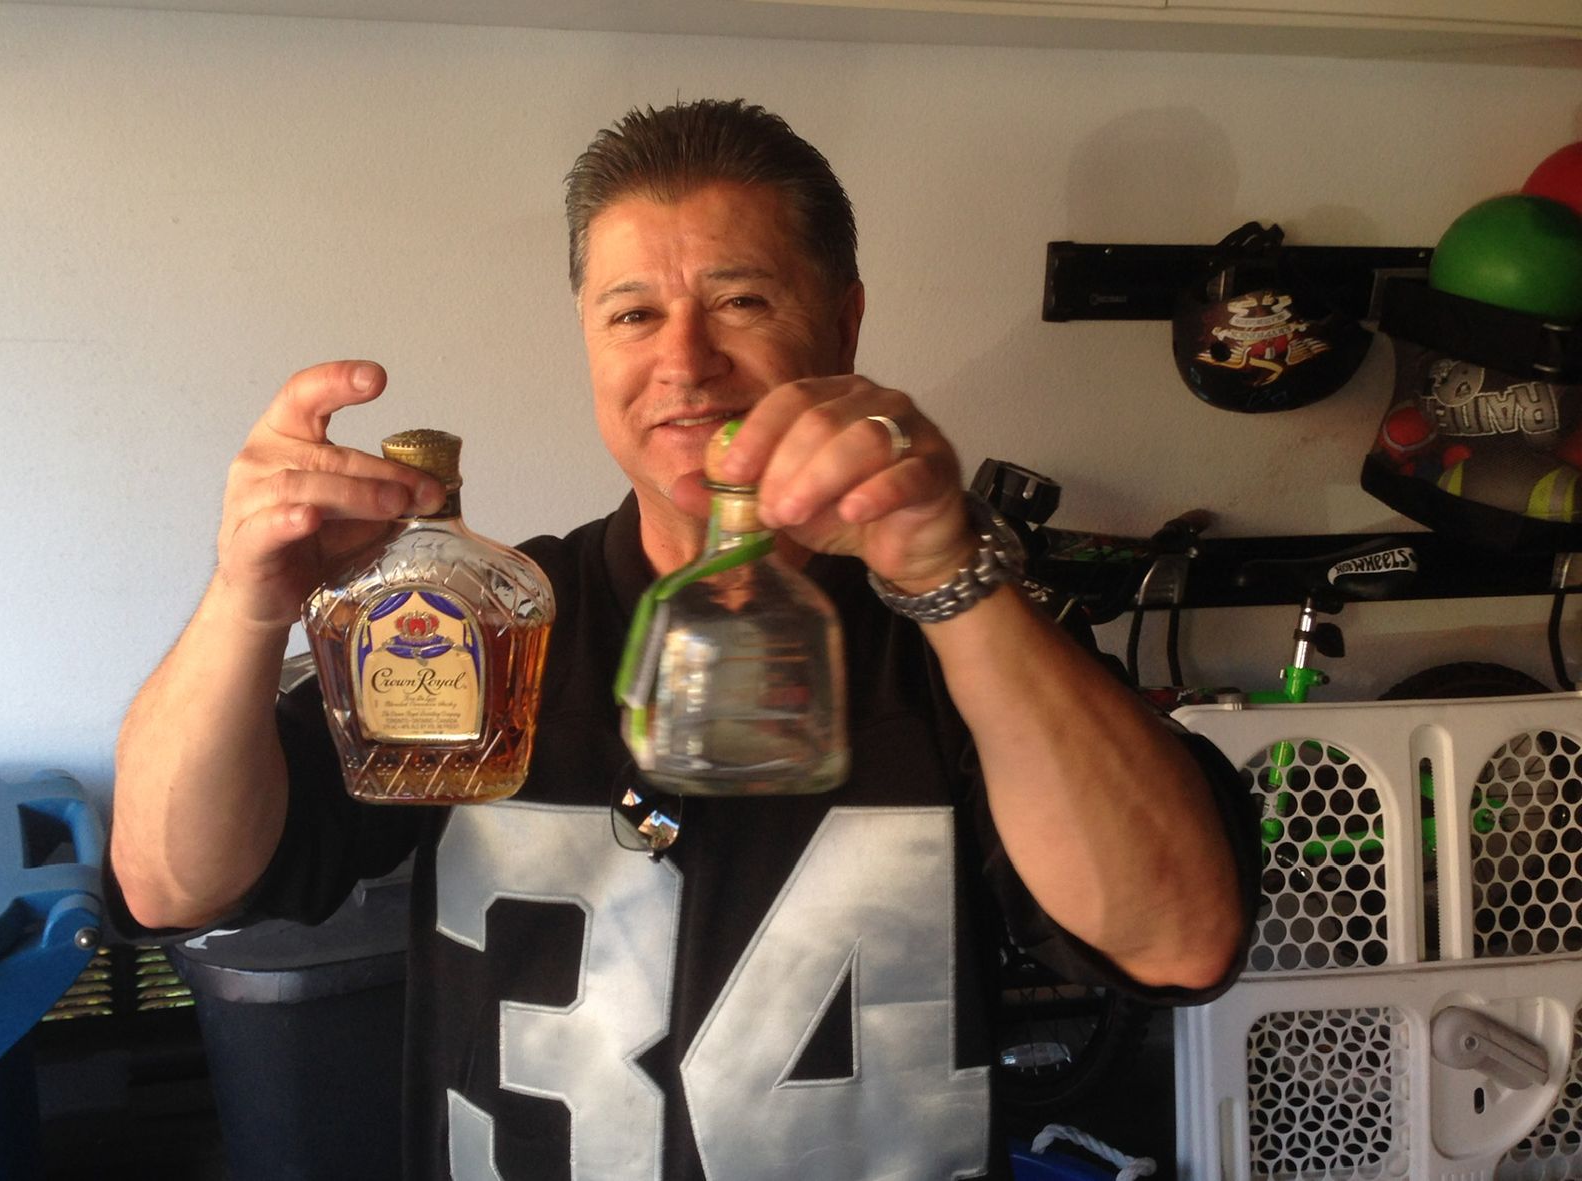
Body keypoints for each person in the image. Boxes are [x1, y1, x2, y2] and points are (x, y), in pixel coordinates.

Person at [109, 98, 1258, 1179]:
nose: (685, 362)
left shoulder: (962, 633)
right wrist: (246, 598)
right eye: (633, 314)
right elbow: (172, 884)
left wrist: (954, 582)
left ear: (844, 321)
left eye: (742, 300)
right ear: (588, 336)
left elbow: (1181, 940)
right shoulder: (485, 627)